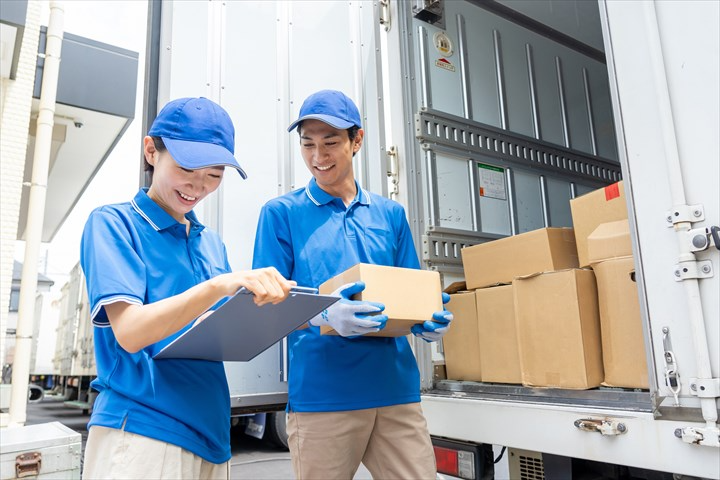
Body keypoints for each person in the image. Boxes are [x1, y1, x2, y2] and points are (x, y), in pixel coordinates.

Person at [79, 97, 295, 480]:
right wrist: (218, 286)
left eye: (214, 174)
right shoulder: (114, 224)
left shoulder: (210, 242)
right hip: (144, 429)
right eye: (186, 168)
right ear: (151, 151)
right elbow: (129, 332)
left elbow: (218, 331)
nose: (198, 186)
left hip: (212, 433)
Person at [252, 89, 453, 479]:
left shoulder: (390, 215)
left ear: (356, 140)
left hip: (395, 392)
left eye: (330, 143)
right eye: (307, 144)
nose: (317, 157)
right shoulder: (281, 214)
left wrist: (429, 320)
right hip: (323, 397)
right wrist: (321, 314)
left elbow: (410, 292)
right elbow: (266, 303)